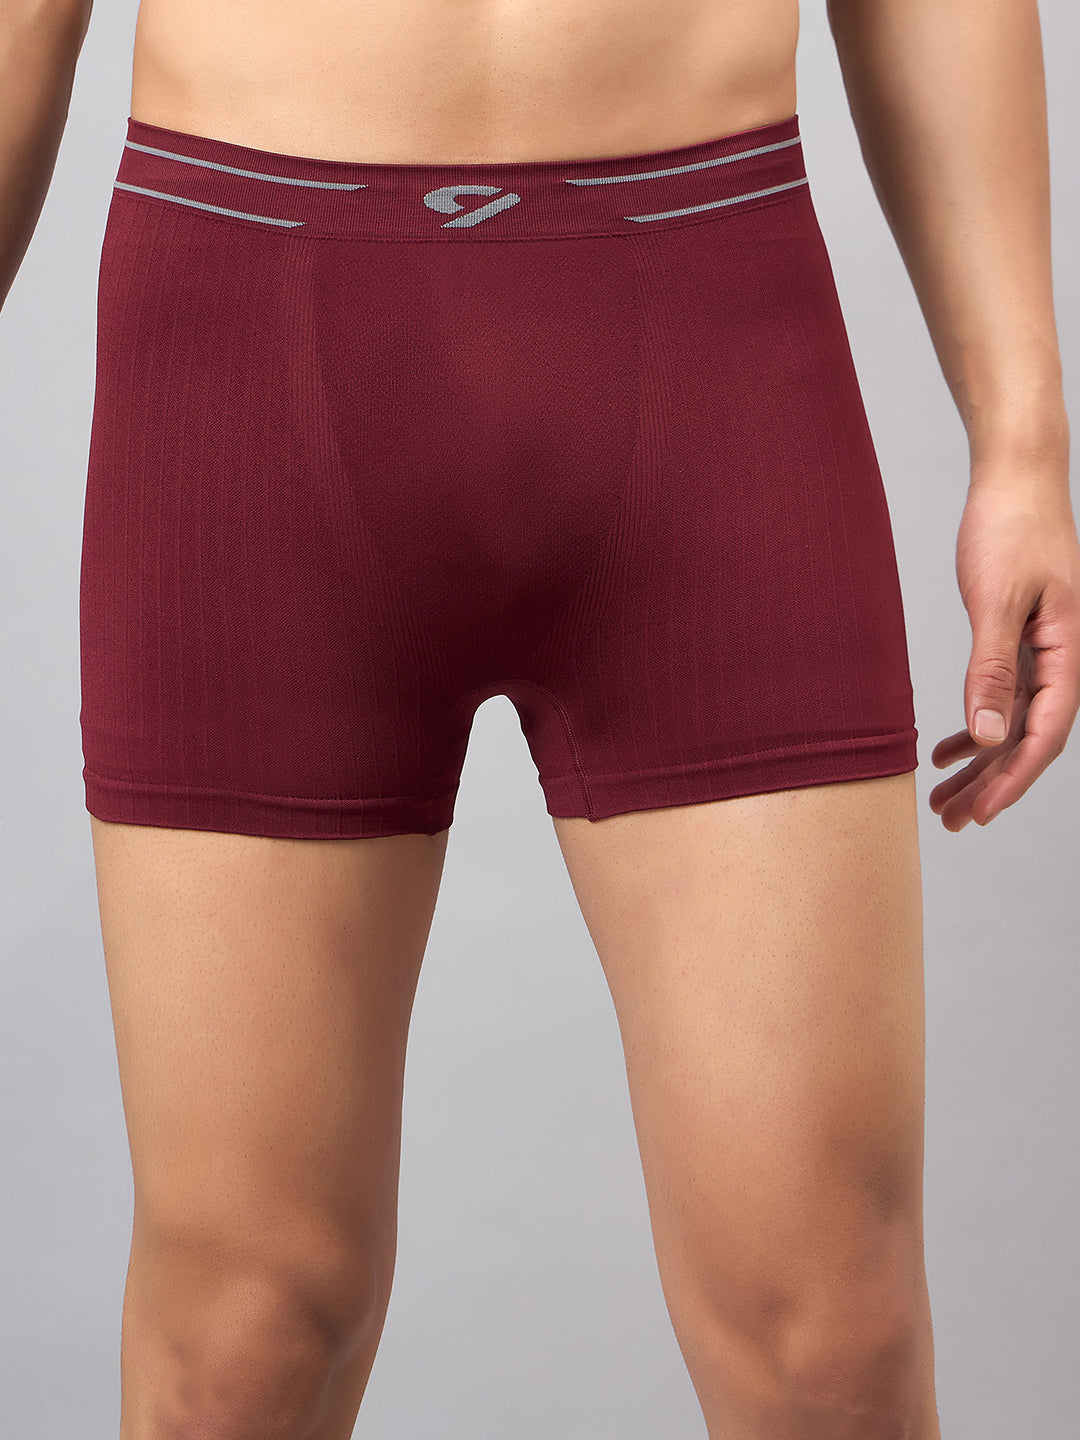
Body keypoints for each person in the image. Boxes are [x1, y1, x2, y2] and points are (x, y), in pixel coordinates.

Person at [3, 0, 1078, 1435]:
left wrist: (1023, 445)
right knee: (242, 1338)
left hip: (706, 313)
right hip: (248, 329)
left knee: (829, 1331)